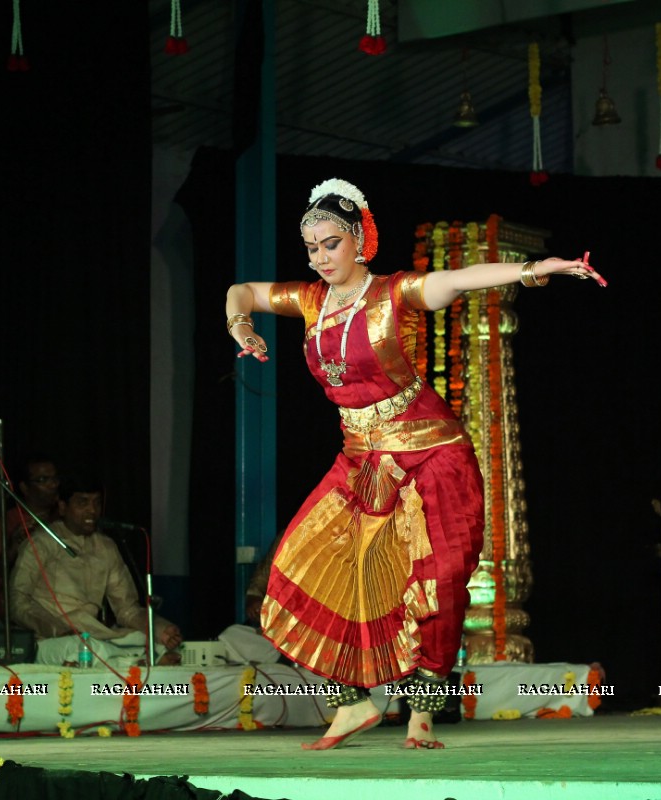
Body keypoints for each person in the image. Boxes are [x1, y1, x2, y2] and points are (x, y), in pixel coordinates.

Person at [225, 178, 603, 750]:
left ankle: (421, 716)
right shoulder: (308, 300)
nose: (321, 257)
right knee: (300, 572)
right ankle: (350, 706)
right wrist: (241, 325)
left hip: (432, 455)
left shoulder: (395, 293)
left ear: (359, 240)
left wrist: (532, 270)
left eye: (331, 244)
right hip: (360, 460)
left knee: (439, 581)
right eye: (312, 248)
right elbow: (239, 290)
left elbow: (459, 279)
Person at [9, 475, 183, 665]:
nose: (92, 510)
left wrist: (158, 628)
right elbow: (17, 600)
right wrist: (56, 629)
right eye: (83, 503)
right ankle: (136, 664)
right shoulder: (41, 543)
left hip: (94, 636)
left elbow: (127, 609)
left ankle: (137, 661)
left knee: (147, 641)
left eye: (97, 503)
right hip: (50, 641)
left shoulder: (106, 547)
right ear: (62, 507)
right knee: (84, 648)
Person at [0, 456, 61, 624]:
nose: (53, 485)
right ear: (25, 487)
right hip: (21, 614)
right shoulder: (3, 525)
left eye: (54, 478)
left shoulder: (64, 519)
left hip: (63, 604)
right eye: (43, 480)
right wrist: (12, 548)